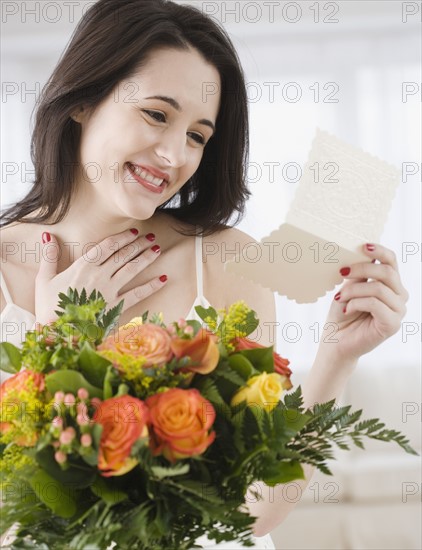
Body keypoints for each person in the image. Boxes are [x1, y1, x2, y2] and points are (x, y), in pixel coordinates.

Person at [0, 1, 409, 548]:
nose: (173, 155)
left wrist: (336, 357)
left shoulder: (223, 260)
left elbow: (254, 511)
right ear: (82, 99)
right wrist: (65, 341)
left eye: (197, 135)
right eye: (156, 114)